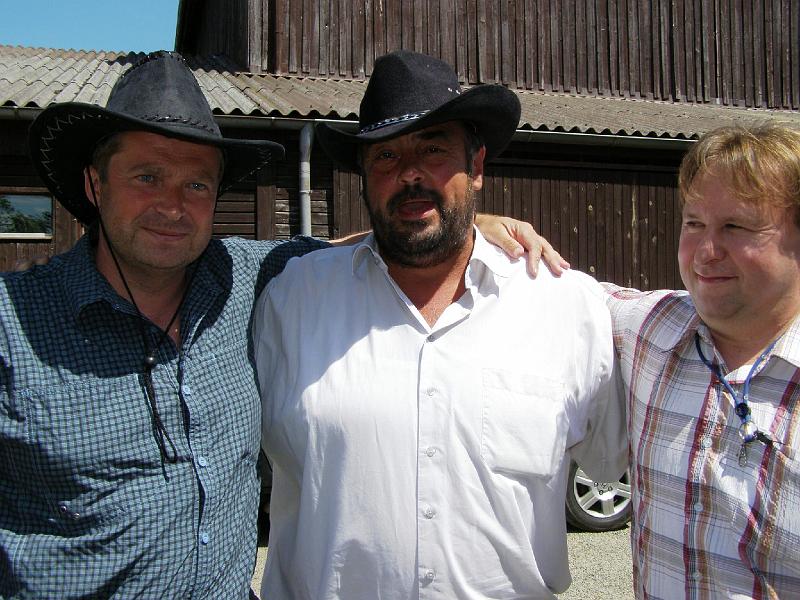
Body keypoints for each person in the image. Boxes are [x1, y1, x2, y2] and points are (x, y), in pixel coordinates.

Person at [0, 51, 555, 599]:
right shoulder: (11, 325)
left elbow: (368, 245)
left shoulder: (250, 280)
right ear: (95, 185)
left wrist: (461, 217)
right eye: (147, 177)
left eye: (196, 185)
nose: (172, 205)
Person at [252, 49, 627, 599]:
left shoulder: (566, 306)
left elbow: (627, 460)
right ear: (363, 177)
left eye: (432, 149)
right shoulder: (288, 300)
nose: (410, 174)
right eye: (385, 157)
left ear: (475, 167)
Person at [605, 123, 800, 598]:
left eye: (736, 226)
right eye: (694, 224)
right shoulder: (652, 328)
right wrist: (483, 231)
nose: (706, 252)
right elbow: (549, 287)